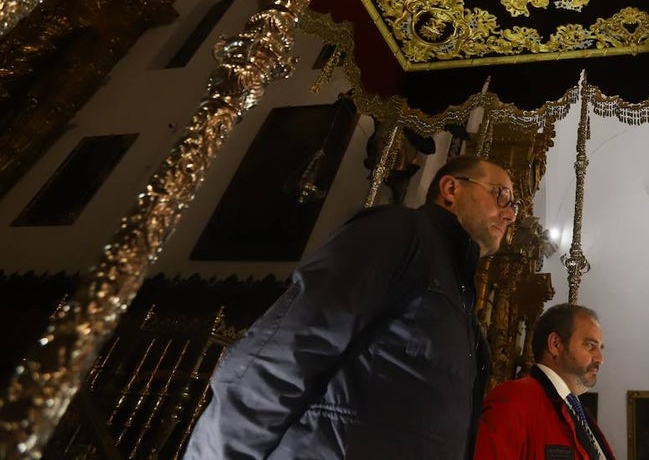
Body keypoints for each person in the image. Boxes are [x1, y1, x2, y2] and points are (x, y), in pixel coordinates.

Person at [183, 154, 518, 460]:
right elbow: (287, 348)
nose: (509, 213)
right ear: (450, 189)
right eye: (500, 195)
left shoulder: (459, 296)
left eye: (513, 206)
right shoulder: (403, 232)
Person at [474, 303, 615, 460]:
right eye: (590, 345)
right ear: (555, 344)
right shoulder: (513, 399)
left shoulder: (576, 409)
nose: (600, 359)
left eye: (600, 348)